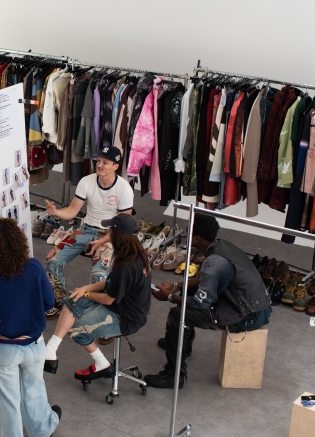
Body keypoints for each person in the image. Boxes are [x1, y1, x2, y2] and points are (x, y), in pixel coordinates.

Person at [145, 215, 272, 389]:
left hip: (247, 315)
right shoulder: (221, 246)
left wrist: (167, 296)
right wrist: (175, 286)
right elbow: (206, 279)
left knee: (178, 314)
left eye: (189, 231)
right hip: (255, 305)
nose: (186, 233)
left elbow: (200, 303)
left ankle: (174, 375)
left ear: (197, 238)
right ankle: (183, 346)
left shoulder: (213, 262)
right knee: (187, 292)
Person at [0, 218, 61, 437]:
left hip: (2, 348)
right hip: (33, 344)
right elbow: (49, 302)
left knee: (8, 401)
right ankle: (41, 430)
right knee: (34, 387)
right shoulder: (34, 269)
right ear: (19, 240)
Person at [43, 214, 150, 380]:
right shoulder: (133, 253)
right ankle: (50, 350)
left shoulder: (126, 267)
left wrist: (86, 293)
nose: (107, 233)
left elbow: (108, 298)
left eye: (110, 230)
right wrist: (86, 289)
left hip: (125, 317)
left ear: (117, 234)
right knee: (73, 299)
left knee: (76, 329)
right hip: (120, 302)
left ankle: (102, 364)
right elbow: (110, 282)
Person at [43, 145, 134, 319]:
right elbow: (71, 211)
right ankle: (63, 301)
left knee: (99, 275)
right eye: (98, 160)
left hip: (111, 235)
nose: (99, 165)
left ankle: (100, 314)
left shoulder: (124, 189)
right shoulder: (87, 181)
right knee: (52, 260)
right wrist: (55, 212)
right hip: (86, 230)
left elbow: (123, 226)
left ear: (115, 166)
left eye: (105, 162)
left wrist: (101, 241)